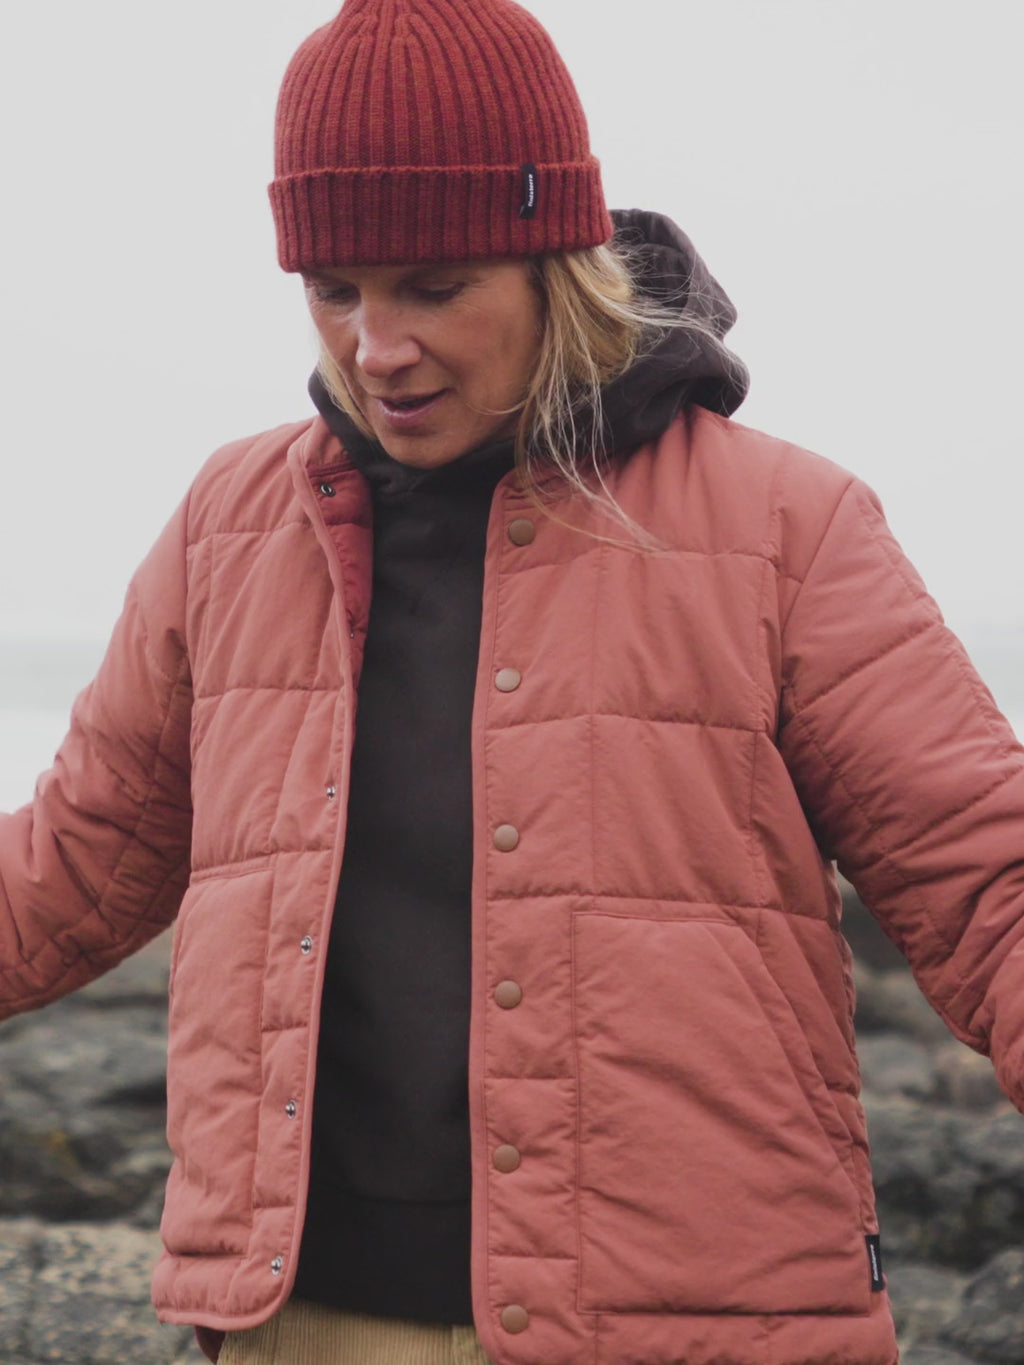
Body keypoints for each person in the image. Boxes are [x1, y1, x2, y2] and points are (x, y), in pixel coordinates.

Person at [1, 1, 1022, 1363]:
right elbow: (71, 863)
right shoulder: (228, 529)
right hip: (305, 1325)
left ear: (557, 262)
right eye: (334, 289)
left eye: (433, 286)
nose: (376, 346)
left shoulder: (784, 524)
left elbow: (983, 879)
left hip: (690, 1328)